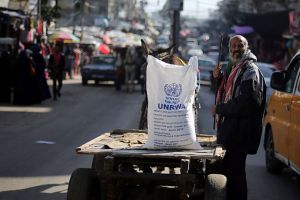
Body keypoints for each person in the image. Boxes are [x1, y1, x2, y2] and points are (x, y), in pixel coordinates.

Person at [211, 35, 266, 200]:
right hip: (230, 131)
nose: (236, 48)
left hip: (240, 134)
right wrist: (217, 78)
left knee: (235, 177)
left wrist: (220, 109)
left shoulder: (250, 71)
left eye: (240, 45)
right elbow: (224, 93)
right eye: (233, 46)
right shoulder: (233, 68)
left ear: (246, 47)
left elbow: (247, 103)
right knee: (229, 173)